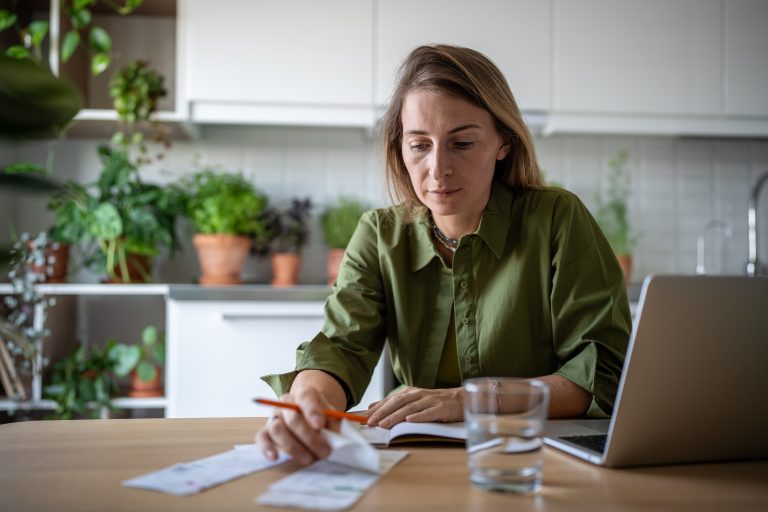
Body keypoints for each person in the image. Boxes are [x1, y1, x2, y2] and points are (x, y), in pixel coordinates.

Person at [256, 44, 631, 465]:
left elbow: (602, 374)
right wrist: (306, 401)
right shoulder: (379, 235)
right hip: (416, 456)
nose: (437, 169)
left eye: (463, 143)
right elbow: (342, 347)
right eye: (419, 145)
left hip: (532, 457)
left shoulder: (557, 219)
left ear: (502, 142)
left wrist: (469, 400)